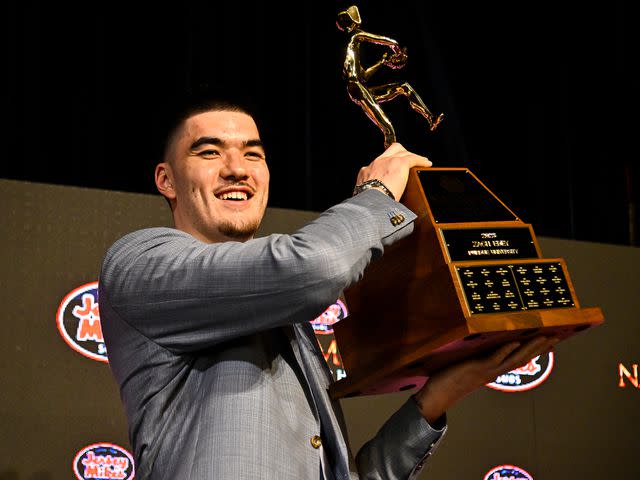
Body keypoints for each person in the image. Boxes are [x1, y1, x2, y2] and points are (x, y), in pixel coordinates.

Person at [99, 99, 557, 479]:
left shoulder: (289, 318)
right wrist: (377, 195)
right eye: (210, 152)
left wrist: (434, 400)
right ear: (166, 180)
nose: (238, 169)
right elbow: (312, 268)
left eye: (254, 154)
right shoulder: (140, 261)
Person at [337, 5, 444, 149]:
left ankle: (430, 117)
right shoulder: (355, 36)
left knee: (404, 87)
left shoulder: (351, 56)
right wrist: (396, 47)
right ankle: (390, 163)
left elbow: (363, 76)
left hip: (360, 87)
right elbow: (380, 39)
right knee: (388, 128)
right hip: (356, 87)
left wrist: (382, 62)